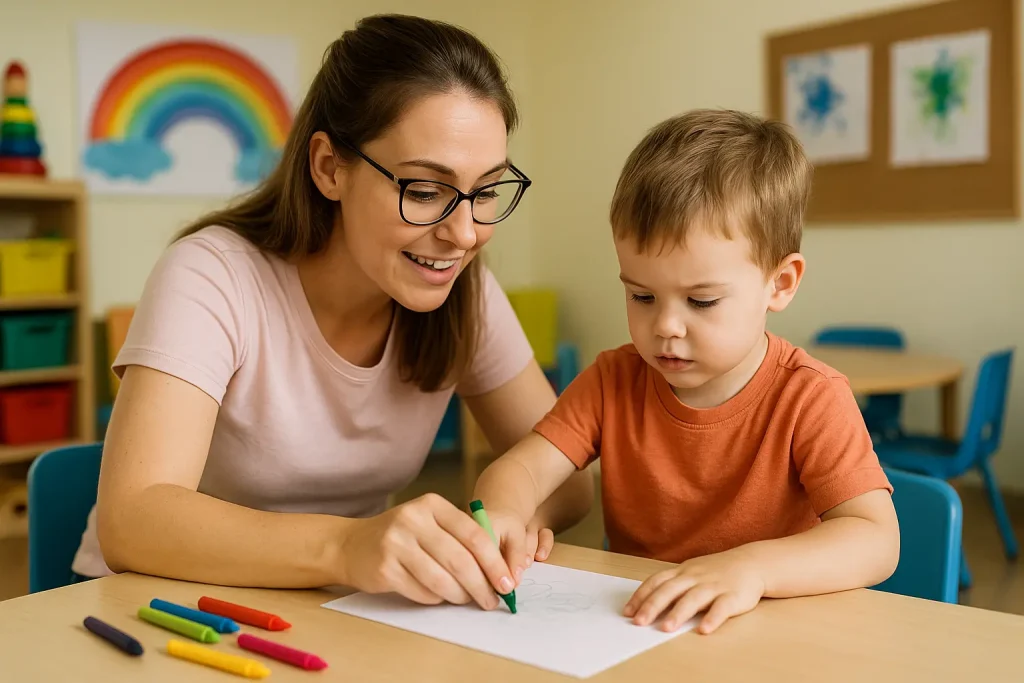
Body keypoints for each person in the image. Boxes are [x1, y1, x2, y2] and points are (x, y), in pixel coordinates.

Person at [72, 14, 594, 612]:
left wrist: (508, 512)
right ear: (329, 167)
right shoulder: (213, 274)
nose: (465, 233)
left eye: (486, 191)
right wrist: (347, 545)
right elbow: (132, 520)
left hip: (330, 611)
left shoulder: (464, 291)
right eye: (425, 190)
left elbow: (570, 479)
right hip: (158, 611)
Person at [472, 109, 900, 634]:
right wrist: (508, 514)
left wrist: (752, 568)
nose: (665, 327)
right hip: (644, 631)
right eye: (641, 295)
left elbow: (876, 540)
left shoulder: (810, 397)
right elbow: (520, 470)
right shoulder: (613, 380)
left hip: (771, 632)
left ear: (780, 283)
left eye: (701, 301)